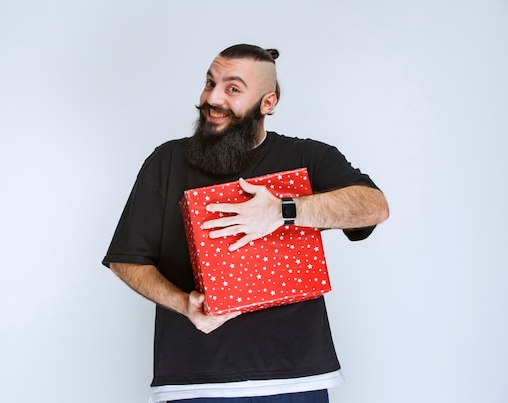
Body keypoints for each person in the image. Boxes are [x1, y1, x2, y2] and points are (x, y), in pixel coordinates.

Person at [102, 44, 389, 403]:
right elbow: (126, 259)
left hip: (296, 380)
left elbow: (373, 206)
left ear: (268, 103)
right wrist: (183, 304)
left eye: (232, 89)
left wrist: (283, 211)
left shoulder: (308, 157)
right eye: (210, 83)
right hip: (193, 383)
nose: (213, 98)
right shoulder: (166, 161)